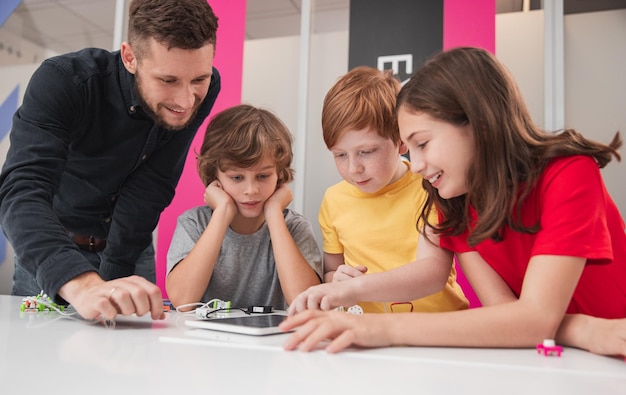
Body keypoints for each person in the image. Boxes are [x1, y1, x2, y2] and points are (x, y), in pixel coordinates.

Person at [280, 47, 626, 358]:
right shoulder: (456, 203)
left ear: (480, 124)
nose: (415, 165)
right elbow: (508, 315)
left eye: (423, 144)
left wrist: (379, 328)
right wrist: (579, 328)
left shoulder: (568, 173)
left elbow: (531, 319)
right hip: (559, 355)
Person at [0, 0, 221, 321]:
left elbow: (153, 183)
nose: (186, 101)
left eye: (198, 79)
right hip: (52, 249)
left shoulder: (205, 87)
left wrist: (115, 274)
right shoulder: (65, 81)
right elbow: (21, 190)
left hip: (131, 252)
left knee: (129, 362)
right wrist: (84, 285)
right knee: (38, 363)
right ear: (130, 57)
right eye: (168, 81)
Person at [314, 66, 467, 314]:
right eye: (340, 155)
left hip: (437, 330)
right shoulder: (333, 200)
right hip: (368, 334)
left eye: (366, 152)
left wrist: (356, 287)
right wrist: (337, 280)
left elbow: (431, 272)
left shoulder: (432, 187)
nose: (354, 168)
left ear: (400, 141)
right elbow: (331, 271)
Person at [166, 104, 322, 310]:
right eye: (237, 177)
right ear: (215, 176)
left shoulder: (294, 227)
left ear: (279, 175)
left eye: (263, 176)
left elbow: (305, 302)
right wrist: (222, 212)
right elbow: (183, 302)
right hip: (205, 340)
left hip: (274, 340)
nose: (251, 190)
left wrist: (274, 213)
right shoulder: (194, 223)